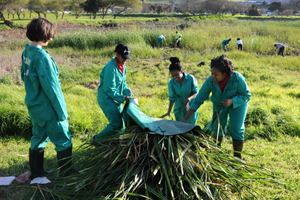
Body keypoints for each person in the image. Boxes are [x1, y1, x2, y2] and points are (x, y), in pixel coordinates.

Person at [21, 18, 73, 180]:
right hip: (47, 107)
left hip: (33, 104)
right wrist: (62, 112)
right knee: (63, 138)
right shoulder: (42, 58)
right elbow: (52, 89)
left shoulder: (27, 52)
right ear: (43, 35)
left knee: (38, 136)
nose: (52, 38)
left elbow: (24, 76)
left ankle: (36, 173)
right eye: (50, 35)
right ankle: (67, 174)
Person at [182, 55, 251, 159]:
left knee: (236, 128)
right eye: (212, 73)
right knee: (218, 127)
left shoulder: (237, 78)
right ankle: (216, 154)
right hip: (220, 104)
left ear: (224, 74)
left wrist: (232, 100)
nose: (213, 76)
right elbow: (199, 99)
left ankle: (237, 157)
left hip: (238, 104)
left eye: (216, 74)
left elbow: (246, 95)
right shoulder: (210, 81)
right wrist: (185, 119)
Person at [91, 43, 133, 140]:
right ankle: (95, 140)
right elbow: (109, 89)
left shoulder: (123, 67)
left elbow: (124, 84)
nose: (125, 60)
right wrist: (123, 98)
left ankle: (112, 143)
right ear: (117, 55)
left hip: (116, 98)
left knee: (121, 127)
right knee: (116, 124)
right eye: (123, 57)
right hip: (107, 98)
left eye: (127, 58)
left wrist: (128, 92)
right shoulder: (111, 68)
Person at [160, 57, 198, 124]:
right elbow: (172, 98)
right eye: (173, 76)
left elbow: (195, 92)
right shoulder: (171, 83)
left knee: (190, 128)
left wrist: (188, 99)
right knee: (180, 128)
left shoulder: (190, 78)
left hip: (190, 108)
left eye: (177, 75)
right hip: (179, 109)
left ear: (181, 71)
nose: (175, 77)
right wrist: (169, 112)